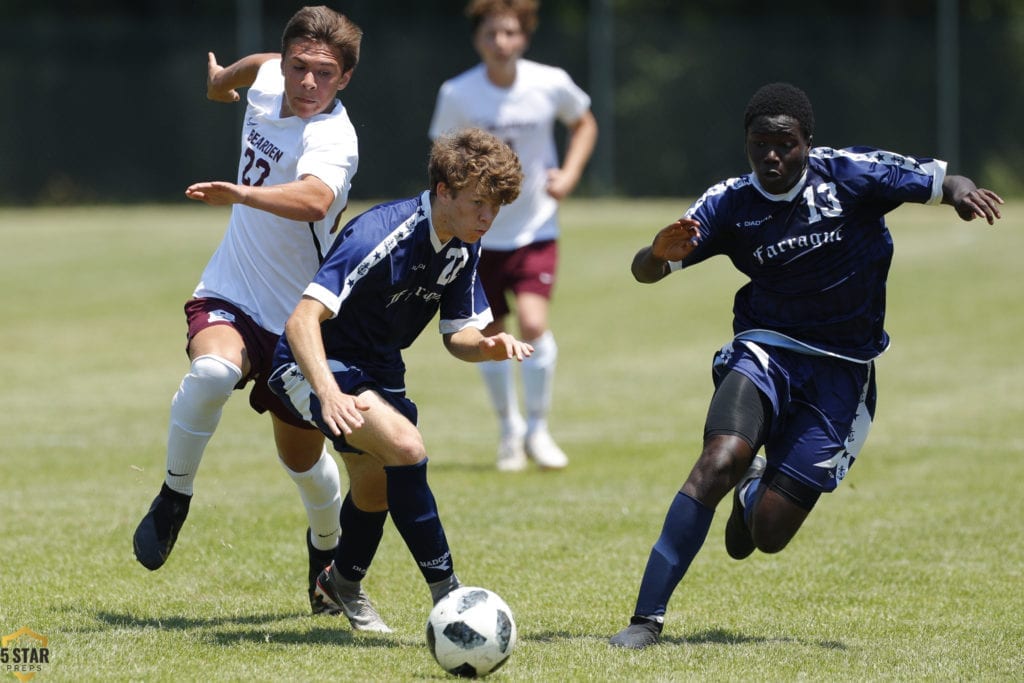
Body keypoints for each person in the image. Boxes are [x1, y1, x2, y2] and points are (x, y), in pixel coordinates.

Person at [609, 82, 1004, 649]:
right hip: (765, 350)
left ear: (807, 143)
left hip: (843, 371)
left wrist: (963, 193)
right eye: (759, 144)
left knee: (767, 534)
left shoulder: (851, 175)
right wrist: (655, 254)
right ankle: (647, 619)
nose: (772, 156)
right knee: (718, 459)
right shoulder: (728, 204)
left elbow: (942, 181)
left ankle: (752, 495)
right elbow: (644, 270)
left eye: (785, 144)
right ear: (746, 144)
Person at [132, 6, 365, 619]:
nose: (308, 82)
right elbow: (258, 68)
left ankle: (326, 551)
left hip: (297, 321)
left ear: (344, 79)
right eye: (299, 67)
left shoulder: (334, 137)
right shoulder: (271, 80)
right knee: (211, 374)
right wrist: (221, 81)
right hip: (231, 290)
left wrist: (240, 193)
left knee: (305, 462)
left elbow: (316, 199)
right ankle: (174, 496)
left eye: (324, 72)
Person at [268, 127, 529, 630]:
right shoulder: (380, 234)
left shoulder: (464, 242)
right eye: (478, 203)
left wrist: (488, 346)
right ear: (443, 191)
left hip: (379, 367)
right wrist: (327, 392)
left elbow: (458, 337)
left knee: (375, 488)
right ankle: (450, 595)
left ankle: (339, 582)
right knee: (407, 449)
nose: (487, 218)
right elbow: (301, 321)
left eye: (496, 207)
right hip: (313, 362)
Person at [429, 0, 598, 472]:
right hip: (478, 234)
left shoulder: (549, 82)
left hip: (535, 227)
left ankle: (539, 429)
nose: (501, 43)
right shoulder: (458, 93)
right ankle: (509, 431)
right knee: (490, 335)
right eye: (491, 34)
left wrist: (570, 173)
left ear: (524, 37)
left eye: (510, 33)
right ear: (477, 38)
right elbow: (442, 157)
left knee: (534, 323)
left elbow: (584, 122)